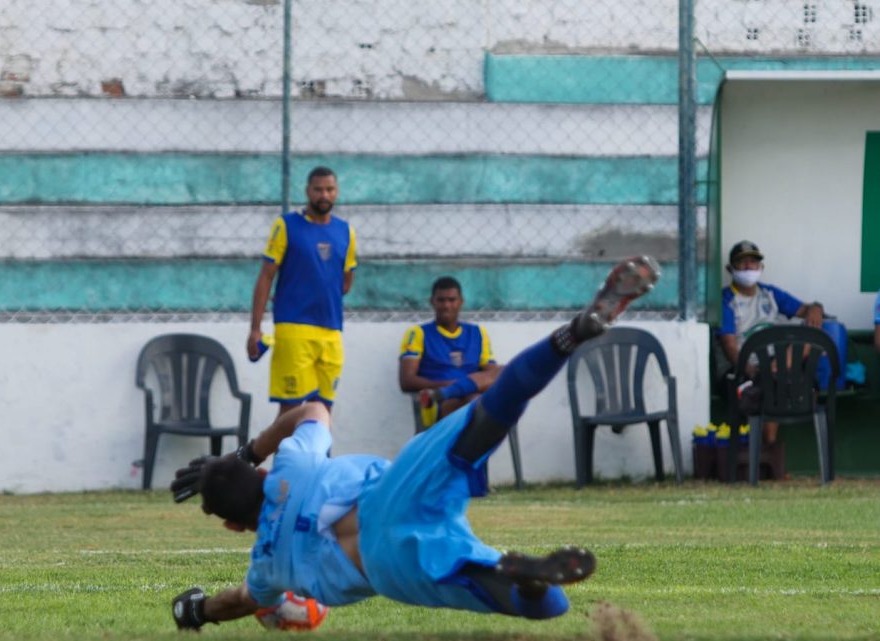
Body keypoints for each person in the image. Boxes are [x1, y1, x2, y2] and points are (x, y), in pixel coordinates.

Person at [169, 256, 660, 629]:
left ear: (235, 527)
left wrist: (195, 611)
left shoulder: (266, 566)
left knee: (551, 606)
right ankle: (568, 337)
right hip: (396, 487)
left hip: (387, 562)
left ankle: (520, 578)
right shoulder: (291, 464)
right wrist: (253, 449)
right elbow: (313, 408)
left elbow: (241, 602)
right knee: (487, 414)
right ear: (260, 474)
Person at [248, 166, 357, 419]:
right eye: (318, 189)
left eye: (329, 190)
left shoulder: (346, 231)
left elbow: (346, 281)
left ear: (336, 192)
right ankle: (283, 460)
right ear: (308, 191)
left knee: (323, 410)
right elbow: (266, 276)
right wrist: (255, 328)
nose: (324, 195)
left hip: (331, 331)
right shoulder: (287, 225)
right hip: (294, 329)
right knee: (291, 410)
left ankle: (321, 461)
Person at [718, 240, 824, 444]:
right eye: (742, 263)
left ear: (761, 267)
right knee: (769, 385)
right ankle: (770, 449)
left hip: (778, 362)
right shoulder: (726, 299)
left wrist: (816, 308)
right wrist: (749, 369)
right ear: (730, 269)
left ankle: (779, 369)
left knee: (809, 335)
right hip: (747, 367)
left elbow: (806, 309)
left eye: (753, 262)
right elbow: (729, 345)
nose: (749, 267)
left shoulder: (770, 294)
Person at [399, 276, 502, 429]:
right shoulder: (418, 333)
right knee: (476, 402)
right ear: (432, 302)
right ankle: (451, 392)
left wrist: (469, 385)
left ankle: (465, 389)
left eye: (452, 300)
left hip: (475, 397)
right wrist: (447, 385)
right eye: (441, 300)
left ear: (461, 302)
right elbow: (406, 381)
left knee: (504, 372)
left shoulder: (478, 333)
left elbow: (492, 373)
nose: (446, 305)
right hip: (437, 403)